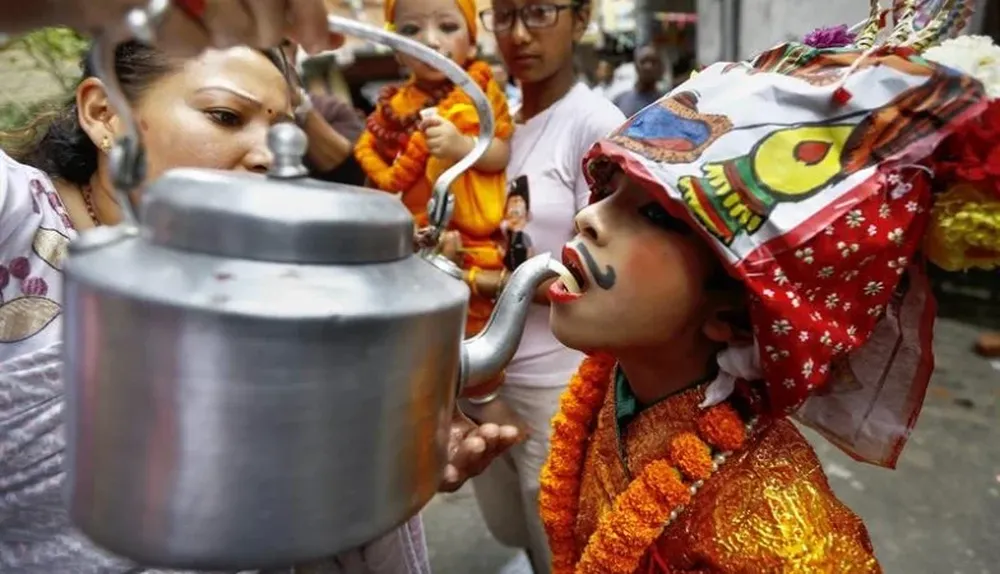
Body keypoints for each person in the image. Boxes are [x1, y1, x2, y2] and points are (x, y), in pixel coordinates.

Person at [0, 6, 521, 574]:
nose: (269, 156)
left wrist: (392, 451)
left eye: (281, 132)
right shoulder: (16, 216)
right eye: (226, 116)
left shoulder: (274, 270)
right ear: (105, 114)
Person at [538, 8, 999, 573]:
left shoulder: (784, 536)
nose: (587, 218)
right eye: (610, 189)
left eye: (655, 214)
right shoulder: (621, 386)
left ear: (734, 314)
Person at [466, 0, 624, 571]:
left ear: (581, 19)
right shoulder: (495, 126)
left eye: (538, 12)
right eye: (504, 15)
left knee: (561, 539)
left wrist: (480, 279)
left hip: (557, 384)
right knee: (512, 525)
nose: (518, 34)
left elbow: (599, 274)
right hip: (482, 377)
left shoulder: (594, 124)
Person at [354, 0, 514, 401]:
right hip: (412, 242)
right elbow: (376, 169)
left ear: (472, 41)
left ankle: (478, 395)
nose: (430, 41)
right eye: (411, 31)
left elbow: (501, 151)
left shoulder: (481, 92)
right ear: (395, 47)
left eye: (447, 26)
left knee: (472, 339)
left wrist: (463, 145)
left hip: (469, 239)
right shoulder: (393, 106)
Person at [281, 40, 367, 185]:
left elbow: (354, 175)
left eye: (283, 43)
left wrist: (299, 105)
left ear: (295, 55)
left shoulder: (332, 110)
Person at [612, 44, 665, 118]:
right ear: (636, 66)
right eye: (643, 62)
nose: (648, 66)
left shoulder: (668, 103)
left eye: (653, 62)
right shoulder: (619, 101)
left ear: (661, 67)